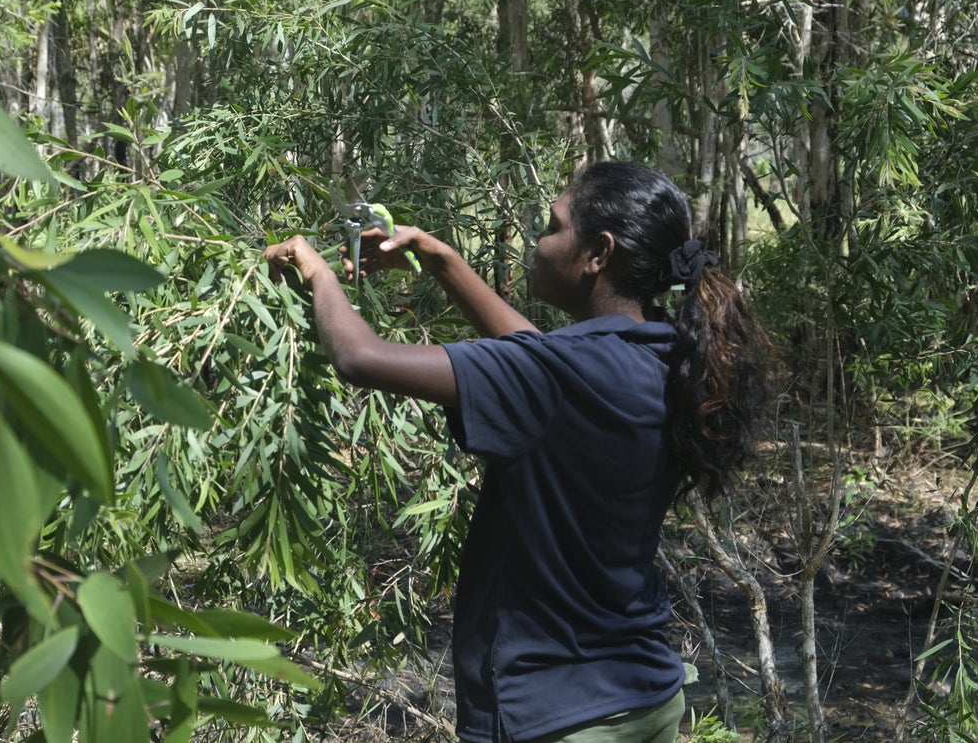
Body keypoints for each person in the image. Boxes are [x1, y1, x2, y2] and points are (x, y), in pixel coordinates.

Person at [263, 161, 769, 743]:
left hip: (555, 713)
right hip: (643, 697)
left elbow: (360, 358)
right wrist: (441, 260)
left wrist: (318, 272)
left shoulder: (561, 375)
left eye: (553, 226)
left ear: (598, 253)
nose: (538, 240)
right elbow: (538, 357)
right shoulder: (664, 353)